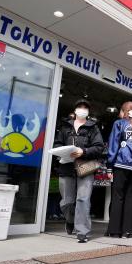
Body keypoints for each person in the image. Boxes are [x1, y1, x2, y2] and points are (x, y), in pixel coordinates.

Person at [53, 99, 104, 243]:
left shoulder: (93, 128)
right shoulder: (65, 127)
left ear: (88, 112)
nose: (82, 109)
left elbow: (99, 147)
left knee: (83, 199)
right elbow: (57, 143)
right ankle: (70, 220)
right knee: (66, 201)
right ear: (75, 110)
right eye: (79, 107)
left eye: (85, 108)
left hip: (86, 167)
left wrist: (84, 151)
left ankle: (82, 231)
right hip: (66, 166)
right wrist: (63, 152)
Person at [106, 101, 132, 238]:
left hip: (121, 165)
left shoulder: (119, 124)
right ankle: (128, 231)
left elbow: (113, 145)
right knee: (131, 198)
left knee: (118, 197)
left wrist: (109, 166)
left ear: (124, 111)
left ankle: (114, 230)